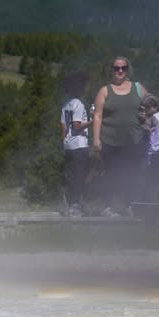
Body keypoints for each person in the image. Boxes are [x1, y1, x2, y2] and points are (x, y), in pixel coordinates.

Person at [91, 56, 146, 217]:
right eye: (116, 68)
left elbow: (150, 106)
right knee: (110, 174)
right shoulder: (104, 90)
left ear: (128, 70)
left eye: (123, 68)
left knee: (131, 174)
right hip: (109, 140)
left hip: (133, 139)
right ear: (112, 70)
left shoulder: (138, 88)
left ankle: (129, 205)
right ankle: (108, 207)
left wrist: (145, 115)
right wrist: (96, 139)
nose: (120, 71)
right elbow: (97, 116)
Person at [58, 72, 91, 216]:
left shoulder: (66, 105)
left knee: (71, 176)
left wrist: (64, 142)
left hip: (68, 145)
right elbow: (77, 126)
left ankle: (70, 202)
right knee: (80, 176)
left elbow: (63, 127)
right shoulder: (78, 104)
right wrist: (93, 121)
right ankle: (75, 205)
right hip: (79, 145)